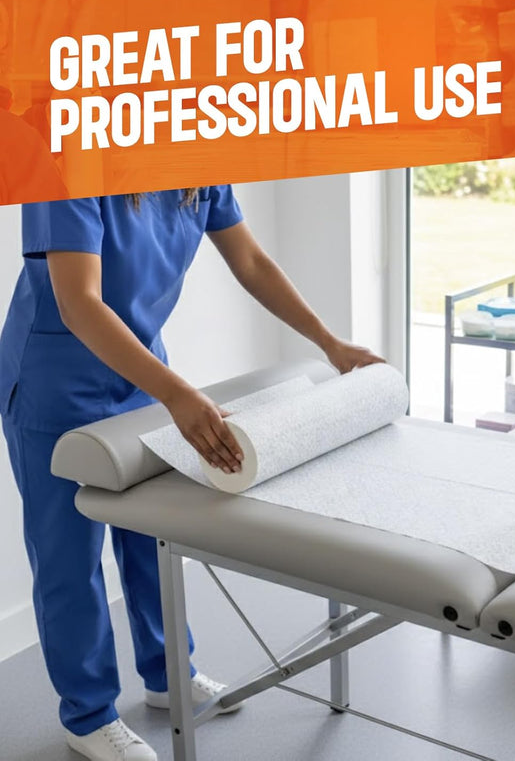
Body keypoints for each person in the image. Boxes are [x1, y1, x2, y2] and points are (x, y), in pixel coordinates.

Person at [0, 186, 382, 761]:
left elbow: (250, 261)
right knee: (69, 560)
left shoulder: (198, 168)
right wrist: (181, 396)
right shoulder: (71, 162)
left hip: (139, 371)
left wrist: (330, 344)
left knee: (153, 536)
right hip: (56, 379)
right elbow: (79, 302)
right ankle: (88, 715)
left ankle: (168, 673)